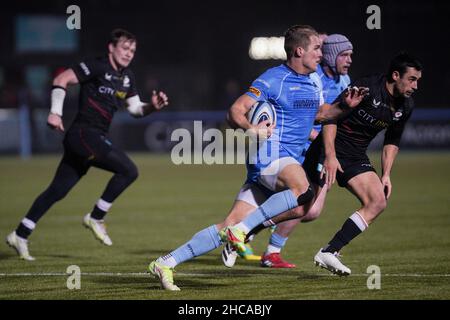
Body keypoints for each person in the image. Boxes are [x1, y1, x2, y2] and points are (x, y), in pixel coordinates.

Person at [148, 25, 367, 291]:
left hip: (284, 161)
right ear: (299, 51)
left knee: (229, 224)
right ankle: (243, 232)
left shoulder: (313, 81)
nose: (321, 53)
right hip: (270, 154)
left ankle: (166, 262)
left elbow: (321, 114)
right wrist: (251, 129)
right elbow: (235, 110)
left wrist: (344, 107)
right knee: (304, 189)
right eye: (317, 48)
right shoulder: (273, 79)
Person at [6, 29, 169, 261]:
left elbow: (135, 110)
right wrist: (55, 112)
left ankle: (20, 234)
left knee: (57, 191)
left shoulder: (127, 77)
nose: (129, 53)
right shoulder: (96, 65)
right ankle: (96, 217)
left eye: (133, 50)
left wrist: (152, 106)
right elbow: (61, 80)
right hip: (83, 134)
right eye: (125, 48)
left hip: (90, 138)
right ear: (111, 48)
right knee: (128, 170)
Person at [306, 52, 422, 275]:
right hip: (328, 148)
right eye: (412, 79)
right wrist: (330, 156)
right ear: (396, 75)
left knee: (378, 201)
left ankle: (329, 251)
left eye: (417, 80)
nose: (415, 86)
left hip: (355, 155)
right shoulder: (367, 87)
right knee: (304, 206)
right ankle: (245, 229)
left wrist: (386, 174)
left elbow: (392, 140)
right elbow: (331, 117)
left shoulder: (405, 105)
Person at [256, 34, 354, 268]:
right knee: (304, 202)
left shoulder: (345, 80)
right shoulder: (311, 76)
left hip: (320, 149)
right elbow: (301, 116)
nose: (349, 60)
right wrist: (316, 135)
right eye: (344, 55)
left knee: (310, 211)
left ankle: (251, 227)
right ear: (331, 56)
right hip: (297, 147)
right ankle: (264, 244)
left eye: (351, 55)